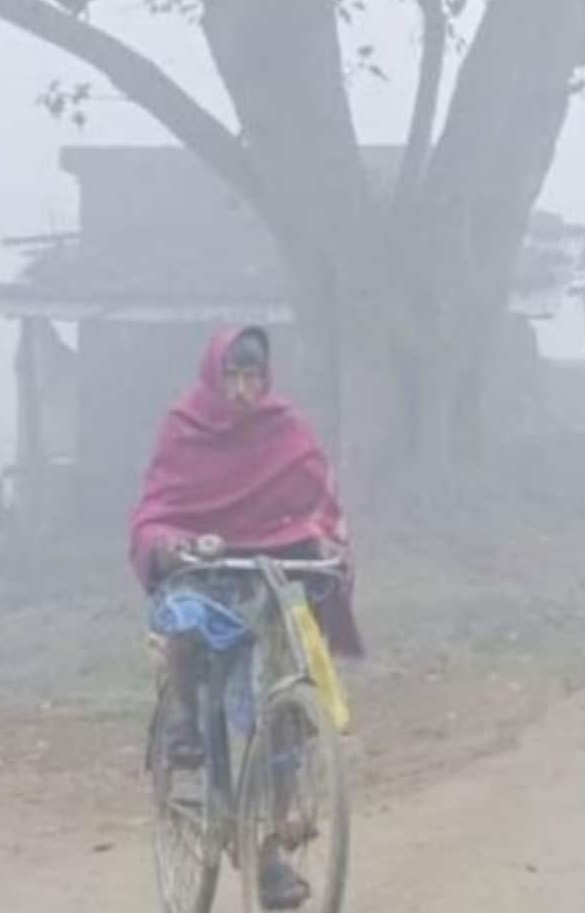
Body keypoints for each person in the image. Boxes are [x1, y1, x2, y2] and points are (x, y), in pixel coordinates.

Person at [128, 326, 360, 910]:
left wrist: (329, 543)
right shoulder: (186, 428)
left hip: (267, 578)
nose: (241, 389)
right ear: (214, 375)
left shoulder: (287, 430)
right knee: (183, 619)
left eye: (251, 376)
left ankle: (271, 851)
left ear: (266, 376)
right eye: (231, 376)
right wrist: (173, 545)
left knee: (279, 702)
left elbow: (318, 504)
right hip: (205, 577)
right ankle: (182, 727)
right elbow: (158, 508)